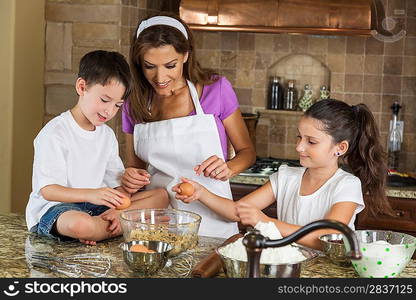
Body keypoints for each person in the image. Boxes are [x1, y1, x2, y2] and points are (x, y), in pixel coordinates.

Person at [172, 99, 395, 249]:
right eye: (299, 137)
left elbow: (328, 237)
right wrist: (201, 193)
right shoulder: (287, 177)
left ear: (340, 148)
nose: (299, 147)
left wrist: (267, 223)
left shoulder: (347, 185)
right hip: (288, 266)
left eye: (311, 141)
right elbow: (238, 211)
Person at [121, 14, 256, 238]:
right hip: (157, 222)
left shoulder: (216, 89)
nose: (160, 76)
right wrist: (129, 176)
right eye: (150, 66)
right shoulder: (132, 102)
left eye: (170, 65)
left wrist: (229, 168)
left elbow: (247, 153)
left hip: (212, 221)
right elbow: (136, 168)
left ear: (185, 55)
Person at [26, 50, 169, 245]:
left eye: (118, 105)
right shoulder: (55, 133)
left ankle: (113, 224)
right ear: (82, 87)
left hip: (96, 207)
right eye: (104, 100)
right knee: (80, 224)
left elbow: (117, 186)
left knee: (160, 196)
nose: (109, 111)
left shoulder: (107, 135)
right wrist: (91, 194)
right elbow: (49, 190)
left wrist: (123, 198)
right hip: (57, 210)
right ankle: (127, 225)